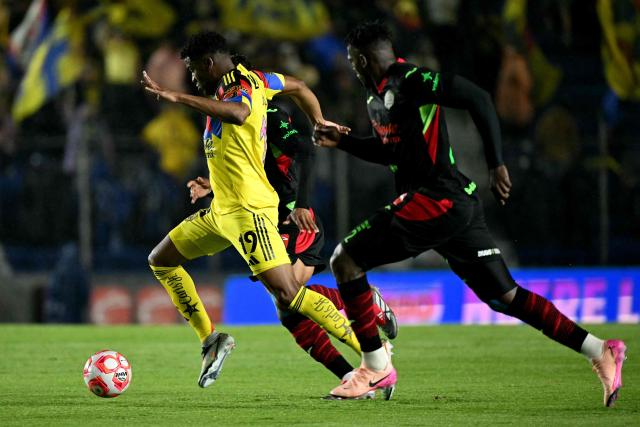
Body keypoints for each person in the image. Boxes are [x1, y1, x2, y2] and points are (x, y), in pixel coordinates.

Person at [313, 21, 627, 405]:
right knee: (504, 297)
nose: (352, 69)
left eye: (352, 62)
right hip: (449, 206)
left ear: (361, 59)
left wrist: (497, 163)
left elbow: (476, 96)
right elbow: (393, 154)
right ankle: (600, 350)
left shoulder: (408, 79)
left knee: (346, 260)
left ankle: (375, 367)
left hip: (437, 199)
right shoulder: (376, 98)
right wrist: (343, 141)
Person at [141, 31, 358, 389]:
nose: (194, 79)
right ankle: (212, 341)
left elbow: (240, 113)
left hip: (248, 211)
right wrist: (318, 119)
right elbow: (300, 86)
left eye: (195, 71)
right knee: (161, 259)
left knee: (288, 296)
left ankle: (372, 353)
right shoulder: (260, 80)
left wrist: (180, 96)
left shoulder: (240, 85)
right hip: (221, 211)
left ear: (209, 63)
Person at [187, 97, 398, 384]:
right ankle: (351, 373)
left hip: (294, 221)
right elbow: (251, 176)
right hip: (264, 221)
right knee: (287, 307)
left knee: (288, 295)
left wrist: (301, 204)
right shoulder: (230, 122)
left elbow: (305, 151)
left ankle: (372, 351)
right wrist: (212, 188)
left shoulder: (268, 114)